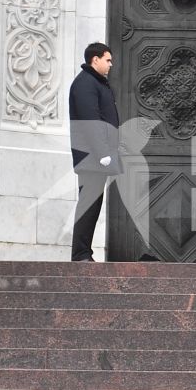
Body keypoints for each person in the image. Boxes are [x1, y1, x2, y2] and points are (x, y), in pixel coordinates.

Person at [68, 42, 121, 262]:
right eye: (107, 60)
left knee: (92, 205)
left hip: (97, 158)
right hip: (92, 158)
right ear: (95, 59)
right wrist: (102, 152)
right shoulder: (85, 83)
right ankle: (80, 254)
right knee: (88, 205)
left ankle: (83, 252)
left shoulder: (96, 83)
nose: (110, 64)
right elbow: (91, 120)